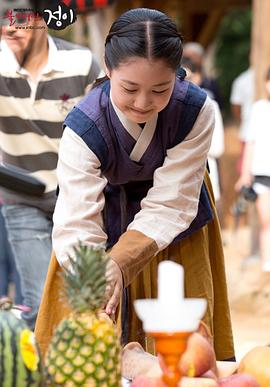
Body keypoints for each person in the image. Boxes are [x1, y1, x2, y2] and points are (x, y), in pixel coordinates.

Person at [35, 8, 235, 362]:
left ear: (178, 75)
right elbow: (77, 222)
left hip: (176, 226)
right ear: (108, 69)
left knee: (184, 351)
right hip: (101, 219)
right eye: (129, 88)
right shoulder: (83, 129)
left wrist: (123, 262)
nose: (143, 103)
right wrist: (97, 278)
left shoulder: (196, 111)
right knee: (88, 344)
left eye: (161, 89)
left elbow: (172, 202)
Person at [0, 7, 102, 329]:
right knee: (40, 301)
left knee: (85, 300)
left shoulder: (82, 63)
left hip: (78, 199)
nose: (10, 28)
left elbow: (104, 127)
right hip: (22, 198)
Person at [235, 67, 270, 273]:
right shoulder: (258, 109)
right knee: (266, 220)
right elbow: (250, 142)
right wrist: (245, 174)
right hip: (263, 172)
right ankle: (266, 264)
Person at [230, 66, 259, 263]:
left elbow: (236, 107)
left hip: (249, 133)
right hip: (249, 136)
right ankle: (239, 222)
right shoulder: (243, 79)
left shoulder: (241, 79)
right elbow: (237, 108)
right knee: (246, 182)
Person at [183, 41, 223, 109]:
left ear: (201, 59)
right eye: (186, 58)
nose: (189, 61)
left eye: (192, 57)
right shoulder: (176, 82)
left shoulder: (210, 83)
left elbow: (219, 107)